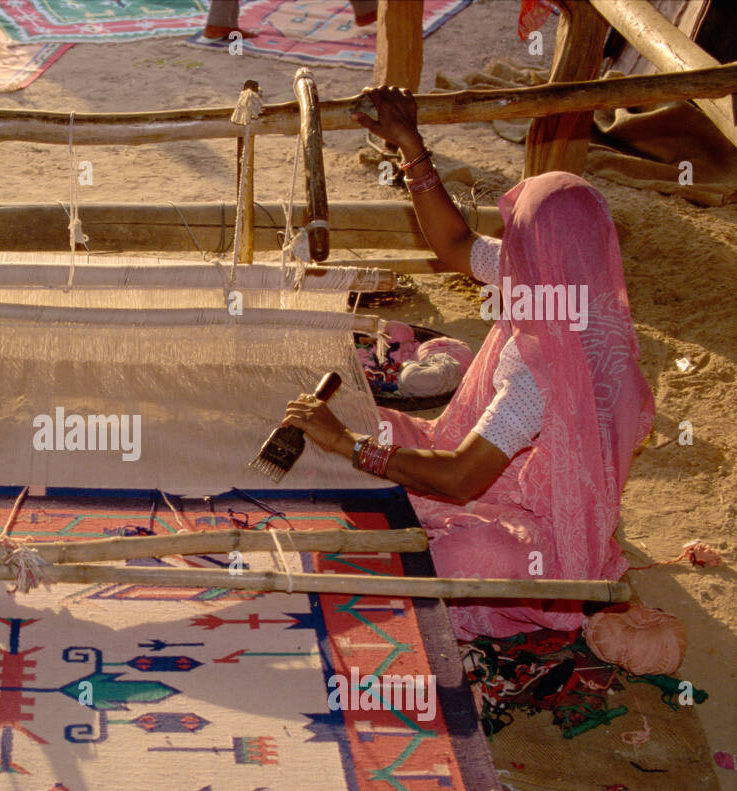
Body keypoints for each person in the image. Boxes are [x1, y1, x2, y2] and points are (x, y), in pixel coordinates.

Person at [279, 86, 656, 640]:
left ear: (540, 249)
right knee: (370, 415)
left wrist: (348, 446)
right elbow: (456, 243)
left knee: (467, 552)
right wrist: (411, 147)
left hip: (533, 519)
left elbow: (458, 478)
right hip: (505, 467)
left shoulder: (542, 371)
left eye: (519, 235)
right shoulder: (566, 285)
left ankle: (483, 563)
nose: (509, 245)